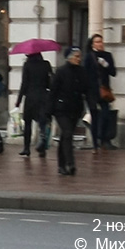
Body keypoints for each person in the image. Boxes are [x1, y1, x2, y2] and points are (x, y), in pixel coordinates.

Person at [51, 45, 89, 176]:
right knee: (67, 133)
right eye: (76, 56)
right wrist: (48, 111)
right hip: (61, 109)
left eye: (80, 56)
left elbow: (86, 89)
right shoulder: (61, 71)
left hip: (75, 109)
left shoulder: (82, 71)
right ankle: (70, 163)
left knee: (65, 136)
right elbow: (53, 91)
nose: (79, 59)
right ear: (69, 57)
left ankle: (61, 165)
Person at [15, 51, 54, 157]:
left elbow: (24, 83)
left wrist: (18, 101)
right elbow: (51, 82)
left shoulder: (27, 65)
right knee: (42, 122)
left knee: (28, 123)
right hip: (43, 96)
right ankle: (42, 147)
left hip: (30, 97)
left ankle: (26, 148)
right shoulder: (46, 64)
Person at [84, 33, 118, 150]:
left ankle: (104, 139)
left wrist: (106, 64)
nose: (100, 44)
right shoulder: (89, 56)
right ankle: (96, 140)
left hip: (104, 90)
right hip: (92, 90)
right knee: (95, 115)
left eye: (101, 41)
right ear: (93, 44)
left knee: (106, 114)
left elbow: (113, 72)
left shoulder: (107, 55)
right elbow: (85, 73)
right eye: (97, 42)